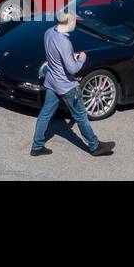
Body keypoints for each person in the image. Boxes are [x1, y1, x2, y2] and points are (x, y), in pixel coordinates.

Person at [31, 8, 114, 158]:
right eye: (74, 20)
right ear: (69, 22)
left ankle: (37, 146)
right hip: (67, 86)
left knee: (45, 114)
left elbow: (56, 58)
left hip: (52, 82)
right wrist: (81, 58)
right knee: (81, 115)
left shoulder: (49, 32)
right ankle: (95, 146)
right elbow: (72, 69)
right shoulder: (65, 42)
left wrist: (70, 56)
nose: (76, 22)